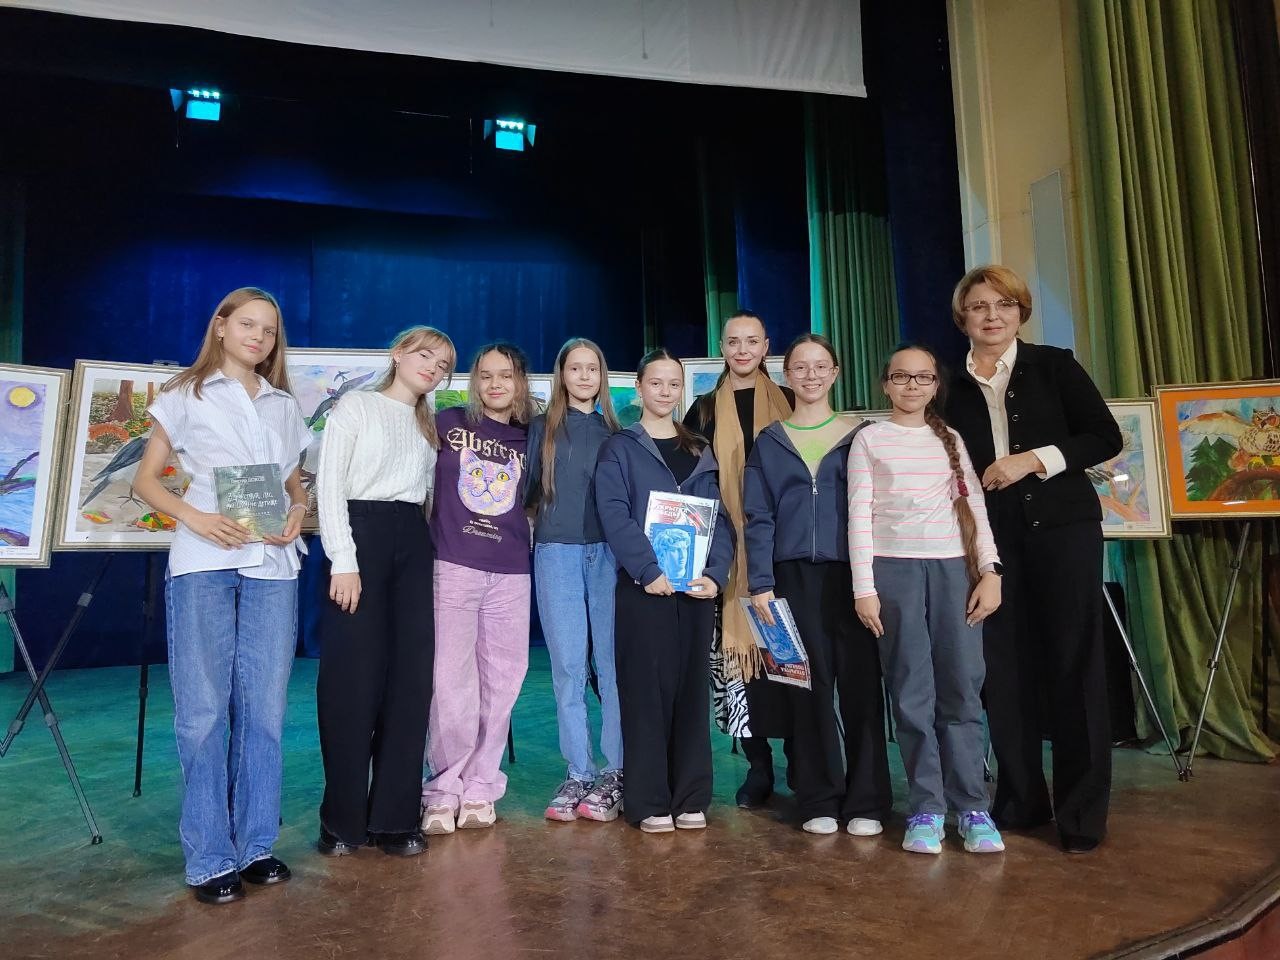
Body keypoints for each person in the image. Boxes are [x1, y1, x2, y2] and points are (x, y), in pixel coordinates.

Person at [134, 287, 310, 904]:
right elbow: (146, 481)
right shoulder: (184, 394)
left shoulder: (284, 404)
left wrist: (298, 510)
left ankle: (256, 844)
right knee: (204, 711)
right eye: (248, 325)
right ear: (221, 326)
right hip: (205, 561)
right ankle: (210, 855)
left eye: (269, 330)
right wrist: (197, 517)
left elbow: (294, 484)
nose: (258, 337)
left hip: (273, 567)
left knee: (264, 711)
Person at [943, 265, 1122, 853]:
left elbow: (1104, 436)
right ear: (963, 317)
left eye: (1004, 304)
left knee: (1075, 663)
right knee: (1003, 667)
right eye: (979, 306)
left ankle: (1081, 814)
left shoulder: (1054, 365)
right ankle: (1020, 800)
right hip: (989, 541)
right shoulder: (946, 383)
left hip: (1064, 533)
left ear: (1020, 312)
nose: (992, 315)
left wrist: (1032, 459)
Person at [848, 344, 1005, 855]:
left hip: (953, 572)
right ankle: (926, 809)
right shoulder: (869, 439)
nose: (912, 386)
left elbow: (974, 509)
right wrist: (865, 588)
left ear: (936, 385)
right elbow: (859, 515)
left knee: (961, 688)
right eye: (901, 377)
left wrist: (990, 571)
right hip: (893, 573)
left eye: (923, 378)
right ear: (885, 384)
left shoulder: (950, 439)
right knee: (911, 692)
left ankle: (973, 808)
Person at [743, 334, 892, 837]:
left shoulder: (862, 436)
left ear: (835, 372)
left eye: (820, 366)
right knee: (804, 687)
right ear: (786, 375)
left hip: (855, 575)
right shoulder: (769, 441)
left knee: (861, 687)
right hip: (789, 578)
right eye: (800, 367)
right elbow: (758, 516)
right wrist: (761, 583)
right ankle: (818, 797)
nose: (810, 375)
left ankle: (868, 800)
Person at [315, 325, 455, 858]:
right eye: (425, 355)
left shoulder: (427, 424)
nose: (432, 368)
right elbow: (330, 484)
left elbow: (429, 497)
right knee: (352, 681)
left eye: (442, 365)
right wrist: (343, 559)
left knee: (410, 681)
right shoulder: (356, 406)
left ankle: (394, 817)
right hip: (361, 539)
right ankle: (341, 821)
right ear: (397, 353)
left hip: (413, 541)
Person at [596, 348, 735, 833]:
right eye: (655, 383)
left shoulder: (699, 449)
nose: (665, 391)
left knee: (690, 693)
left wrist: (716, 574)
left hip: (694, 592)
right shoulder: (620, 448)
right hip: (643, 589)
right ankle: (650, 800)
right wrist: (647, 569)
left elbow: (718, 520)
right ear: (639, 388)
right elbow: (614, 513)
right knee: (645, 694)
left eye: (673, 384)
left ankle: (691, 796)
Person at [422, 342, 536, 834]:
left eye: (505, 375)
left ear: (520, 382)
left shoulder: (533, 436)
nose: (495, 384)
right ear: (474, 381)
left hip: (511, 571)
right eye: (486, 375)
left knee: (503, 683)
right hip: (453, 565)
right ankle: (443, 788)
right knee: (450, 683)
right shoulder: (446, 424)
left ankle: (481, 786)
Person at [682, 310, 794, 807]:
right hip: (727, 556)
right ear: (723, 348)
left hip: (786, 550)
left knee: (787, 655)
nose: (742, 350)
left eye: (752, 341)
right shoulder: (703, 411)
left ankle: (802, 757)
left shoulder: (791, 401)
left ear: (766, 346)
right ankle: (758, 766)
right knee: (738, 668)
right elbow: (689, 482)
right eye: (733, 341)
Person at [524, 338, 625, 823]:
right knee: (568, 668)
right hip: (556, 554)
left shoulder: (617, 433)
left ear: (602, 376)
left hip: (608, 555)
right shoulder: (541, 428)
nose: (584, 376)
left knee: (611, 665)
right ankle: (579, 771)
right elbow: (523, 494)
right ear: (561, 375)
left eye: (592, 368)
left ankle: (617, 770)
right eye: (575, 368)